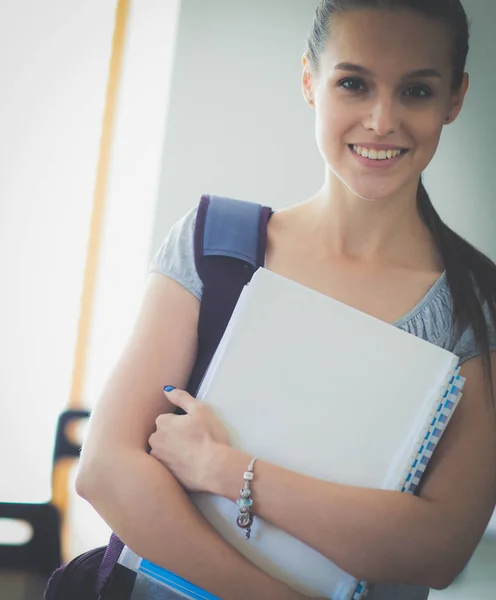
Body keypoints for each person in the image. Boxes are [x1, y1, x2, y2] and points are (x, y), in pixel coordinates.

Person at [76, 0, 496, 598]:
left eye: (417, 92)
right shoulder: (213, 245)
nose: (381, 120)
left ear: (454, 99)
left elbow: (438, 549)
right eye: (353, 83)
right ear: (309, 81)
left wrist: (225, 471)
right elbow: (106, 472)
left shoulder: (477, 308)